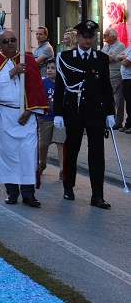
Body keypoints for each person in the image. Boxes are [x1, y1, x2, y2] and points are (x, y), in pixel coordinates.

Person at [0, 29, 48, 208]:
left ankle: (28, 194)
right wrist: (12, 72)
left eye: (13, 40)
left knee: (27, 154)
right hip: (3, 114)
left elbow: (36, 88)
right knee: (7, 155)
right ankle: (12, 192)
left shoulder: (28, 60)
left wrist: (30, 110)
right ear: (0, 44)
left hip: (26, 115)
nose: (10, 43)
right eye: (6, 41)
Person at [53, 20, 115, 209]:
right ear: (78, 37)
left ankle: (97, 195)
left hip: (96, 112)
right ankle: (68, 187)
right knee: (72, 151)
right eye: (84, 36)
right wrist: (58, 113)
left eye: (91, 36)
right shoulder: (66, 58)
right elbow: (60, 88)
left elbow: (106, 88)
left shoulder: (101, 58)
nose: (88, 40)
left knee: (96, 154)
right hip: (74, 111)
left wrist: (110, 113)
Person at [37, 58, 65, 181]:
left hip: (60, 118)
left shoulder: (63, 83)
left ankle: (63, 169)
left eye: (53, 68)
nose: (49, 70)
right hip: (45, 117)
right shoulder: (43, 83)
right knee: (43, 144)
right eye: (48, 68)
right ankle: (42, 163)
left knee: (60, 143)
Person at [101, 27, 125, 138]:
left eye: (106, 35)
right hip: (106, 76)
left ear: (113, 36)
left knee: (117, 98)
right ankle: (110, 118)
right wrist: (107, 56)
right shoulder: (105, 46)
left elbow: (109, 60)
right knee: (108, 98)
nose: (104, 37)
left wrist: (108, 57)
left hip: (115, 75)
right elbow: (101, 58)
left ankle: (118, 121)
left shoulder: (119, 46)